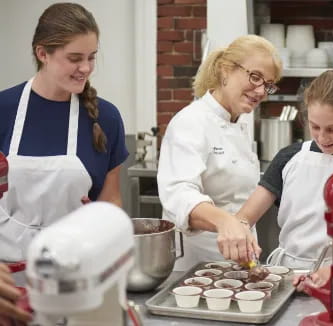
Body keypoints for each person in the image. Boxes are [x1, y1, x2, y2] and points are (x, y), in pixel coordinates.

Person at [0, 3, 128, 262]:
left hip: (74, 272)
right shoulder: (4, 108)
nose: (86, 68)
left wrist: (101, 224)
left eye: (91, 57)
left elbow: (111, 200)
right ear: (43, 53)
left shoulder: (107, 118)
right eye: (74, 58)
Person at [235, 70, 333, 271]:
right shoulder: (290, 157)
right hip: (285, 273)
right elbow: (245, 217)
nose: (322, 137)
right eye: (315, 126)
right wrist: (238, 233)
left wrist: (331, 274)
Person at [157, 35, 282, 271]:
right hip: (195, 267)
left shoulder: (241, 124)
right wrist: (225, 221)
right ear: (226, 70)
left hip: (238, 262)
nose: (260, 91)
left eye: (268, 84)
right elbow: (179, 195)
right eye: (255, 77)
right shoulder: (191, 122)